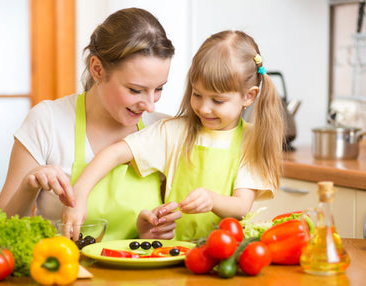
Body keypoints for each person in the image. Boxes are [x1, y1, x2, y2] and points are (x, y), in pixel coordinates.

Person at [64, 30, 284, 241]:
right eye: (197, 94)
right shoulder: (174, 131)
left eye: (217, 101)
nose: (204, 108)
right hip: (174, 254)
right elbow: (114, 153)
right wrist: (80, 195)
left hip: (224, 255)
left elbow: (241, 207)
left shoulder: (252, 141)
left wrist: (212, 200)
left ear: (249, 96)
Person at [0, 7, 182, 241]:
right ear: (97, 69)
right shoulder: (47, 121)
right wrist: (28, 186)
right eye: (135, 90)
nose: (149, 105)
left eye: (159, 89)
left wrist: (154, 231)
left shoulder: (164, 129)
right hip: (63, 272)